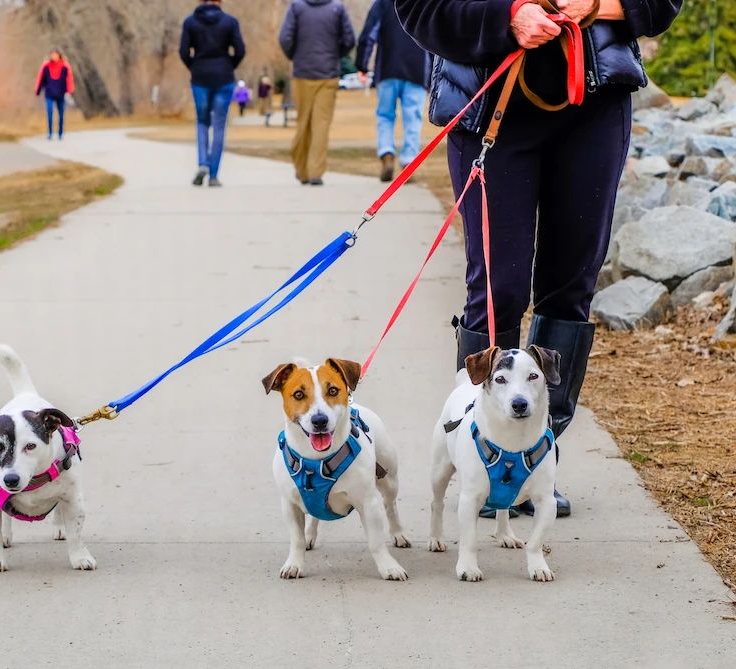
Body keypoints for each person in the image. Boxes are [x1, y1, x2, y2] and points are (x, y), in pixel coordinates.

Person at [395, 0, 681, 517]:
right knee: (497, 289)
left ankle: (534, 463)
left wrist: (602, 4)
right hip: (490, 104)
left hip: (594, 105)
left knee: (570, 286)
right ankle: (481, 459)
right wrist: (507, 17)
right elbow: (419, 9)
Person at [278, 0, 356, 186]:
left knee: (303, 121)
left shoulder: (296, 7)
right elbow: (349, 40)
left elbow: (285, 38)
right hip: (328, 74)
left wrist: (295, 56)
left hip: (302, 73)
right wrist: (335, 55)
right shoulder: (337, 7)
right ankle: (315, 172)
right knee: (321, 125)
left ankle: (301, 169)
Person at [355, 0, 429, 182]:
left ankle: (387, 153)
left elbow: (369, 34)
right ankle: (408, 162)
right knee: (413, 118)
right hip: (416, 69)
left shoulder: (383, 3)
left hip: (387, 68)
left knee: (385, 116)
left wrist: (362, 65)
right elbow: (433, 35)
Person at [179, 0, 246, 187]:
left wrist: (194, 67)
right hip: (223, 77)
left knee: (202, 122)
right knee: (219, 126)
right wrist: (228, 66)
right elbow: (240, 50)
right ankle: (214, 174)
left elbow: (184, 51)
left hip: (200, 78)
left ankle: (203, 163)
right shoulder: (230, 22)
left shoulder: (190, 22)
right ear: (219, 1)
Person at [34, 50, 74, 141]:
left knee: (61, 114)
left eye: (55, 55)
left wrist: (69, 91)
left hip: (61, 94)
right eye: (52, 55)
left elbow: (69, 79)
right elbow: (40, 78)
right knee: (50, 112)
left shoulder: (65, 66)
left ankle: (60, 133)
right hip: (49, 93)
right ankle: (50, 132)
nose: (54, 56)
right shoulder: (46, 66)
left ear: (59, 56)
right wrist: (38, 90)